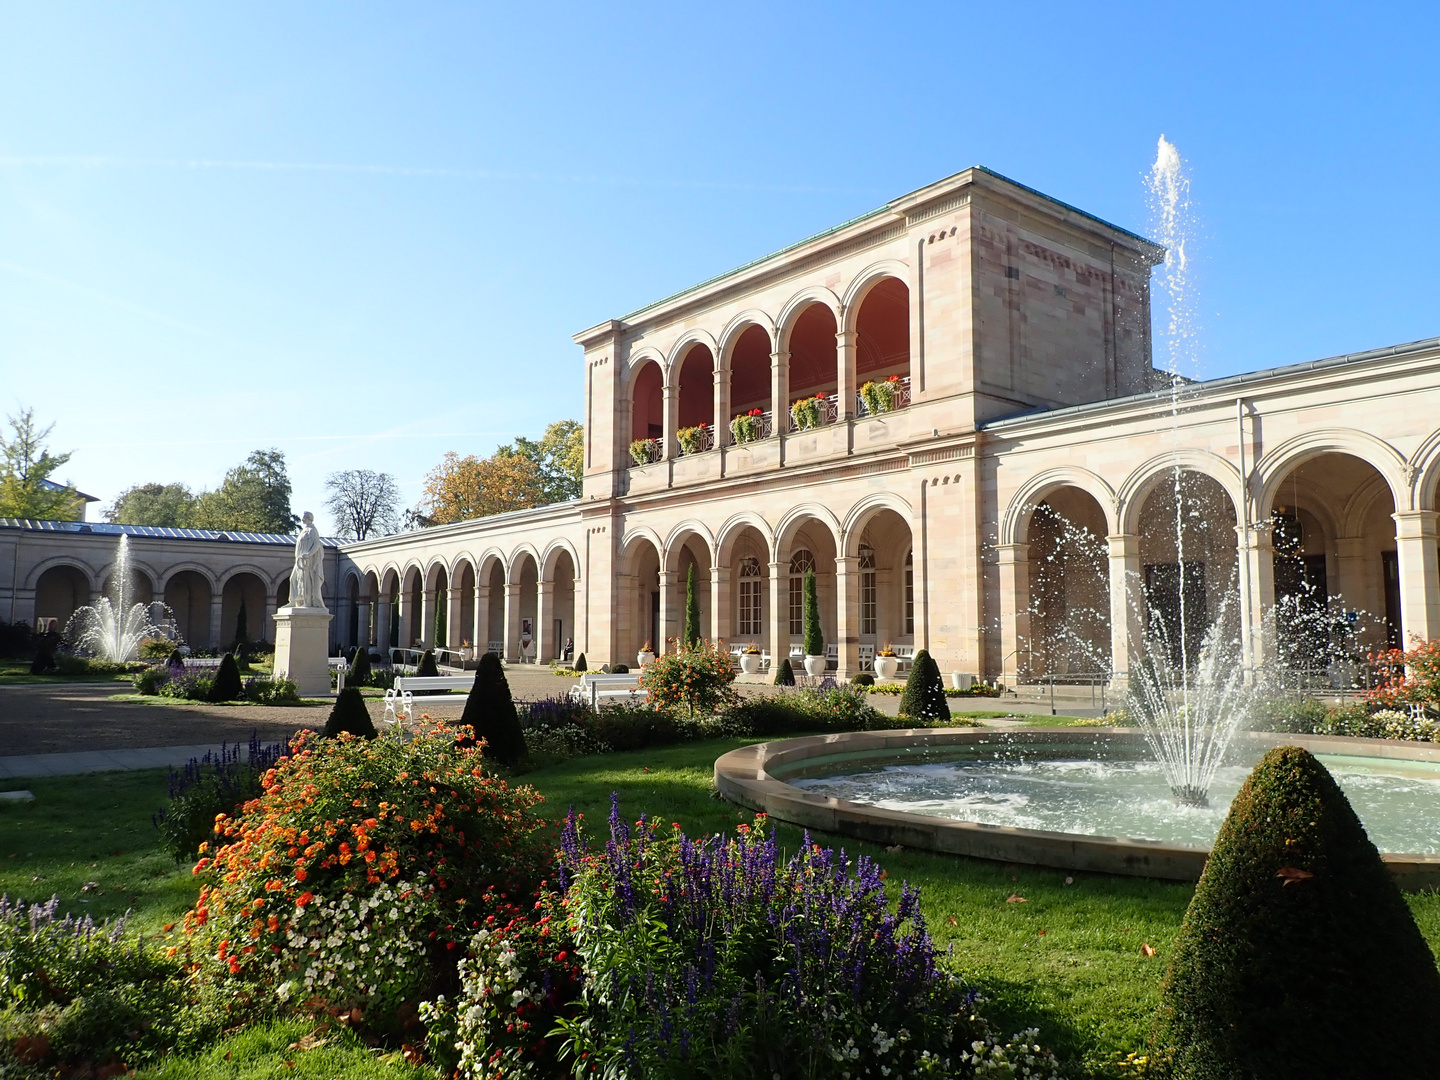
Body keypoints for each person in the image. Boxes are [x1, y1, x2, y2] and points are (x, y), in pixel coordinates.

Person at [290, 511, 326, 610]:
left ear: (309, 518)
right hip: (299, 560)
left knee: (306, 581)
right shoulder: (304, 530)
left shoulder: (312, 530)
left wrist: (309, 554)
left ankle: (307, 602)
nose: (302, 520)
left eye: (304, 517)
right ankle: (294, 601)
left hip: (307, 561)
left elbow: (317, 544)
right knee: (293, 579)